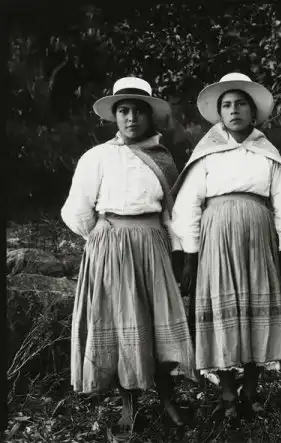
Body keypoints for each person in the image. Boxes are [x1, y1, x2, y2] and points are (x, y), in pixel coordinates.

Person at [61, 77, 196, 442]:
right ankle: (128, 405)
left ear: (150, 116)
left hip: (153, 245)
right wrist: (103, 238)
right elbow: (76, 210)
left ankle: (167, 398)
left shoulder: (163, 159)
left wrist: (179, 252)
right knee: (123, 322)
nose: (131, 118)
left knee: (156, 323)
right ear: (115, 116)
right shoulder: (98, 157)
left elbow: (173, 213)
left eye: (138, 111)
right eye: (124, 111)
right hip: (112, 246)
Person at [170, 73, 281, 419]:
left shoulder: (266, 153)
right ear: (219, 113)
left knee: (257, 307)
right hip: (217, 238)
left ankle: (251, 389)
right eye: (226, 105)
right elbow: (188, 205)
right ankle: (227, 392)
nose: (234, 110)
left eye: (241, 104)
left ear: (253, 112)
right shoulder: (207, 154)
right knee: (221, 307)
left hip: (258, 237)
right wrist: (190, 254)